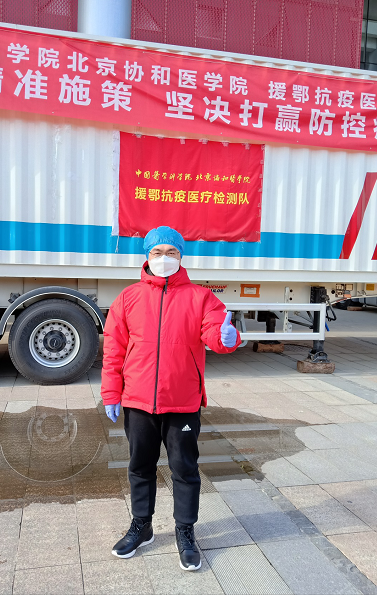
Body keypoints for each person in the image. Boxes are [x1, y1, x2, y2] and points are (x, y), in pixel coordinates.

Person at [101, 226, 241, 571]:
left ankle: (185, 531)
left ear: (181, 256)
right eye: (158, 252)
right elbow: (114, 349)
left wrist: (228, 337)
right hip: (138, 400)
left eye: (171, 252)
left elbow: (215, 332)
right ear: (147, 256)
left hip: (182, 401)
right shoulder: (128, 298)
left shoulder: (200, 297)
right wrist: (111, 392)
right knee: (140, 466)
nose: (164, 258)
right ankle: (142, 526)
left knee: (184, 468)